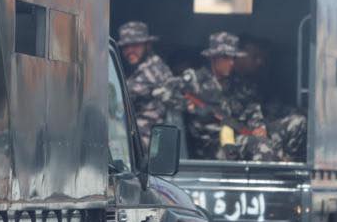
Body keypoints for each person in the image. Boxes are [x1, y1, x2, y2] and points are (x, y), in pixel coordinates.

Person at [180, 32, 277, 161]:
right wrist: (192, 108)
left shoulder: (238, 84)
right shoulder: (195, 79)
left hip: (234, 138)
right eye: (226, 58)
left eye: (233, 58)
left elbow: (251, 108)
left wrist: (259, 127)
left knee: (268, 143)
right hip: (208, 144)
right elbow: (171, 95)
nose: (231, 63)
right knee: (260, 146)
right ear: (213, 58)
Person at [235, 35, 308, 161]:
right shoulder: (228, 82)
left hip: (260, 128)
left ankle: (288, 165)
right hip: (238, 133)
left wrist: (297, 111)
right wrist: (258, 128)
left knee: (298, 121)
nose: (260, 62)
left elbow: (272, 107)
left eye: (262, 58)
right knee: (261, 143)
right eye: (255, 57)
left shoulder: (254, 82)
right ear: (239, 57)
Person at [118, 21, 180, 149]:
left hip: (146, 139)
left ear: (147, 45)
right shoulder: (138, 68)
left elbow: (123, 98)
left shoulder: (153, 69)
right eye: (125, 47)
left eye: (135, 45)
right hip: (134, 134)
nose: (130, 50)